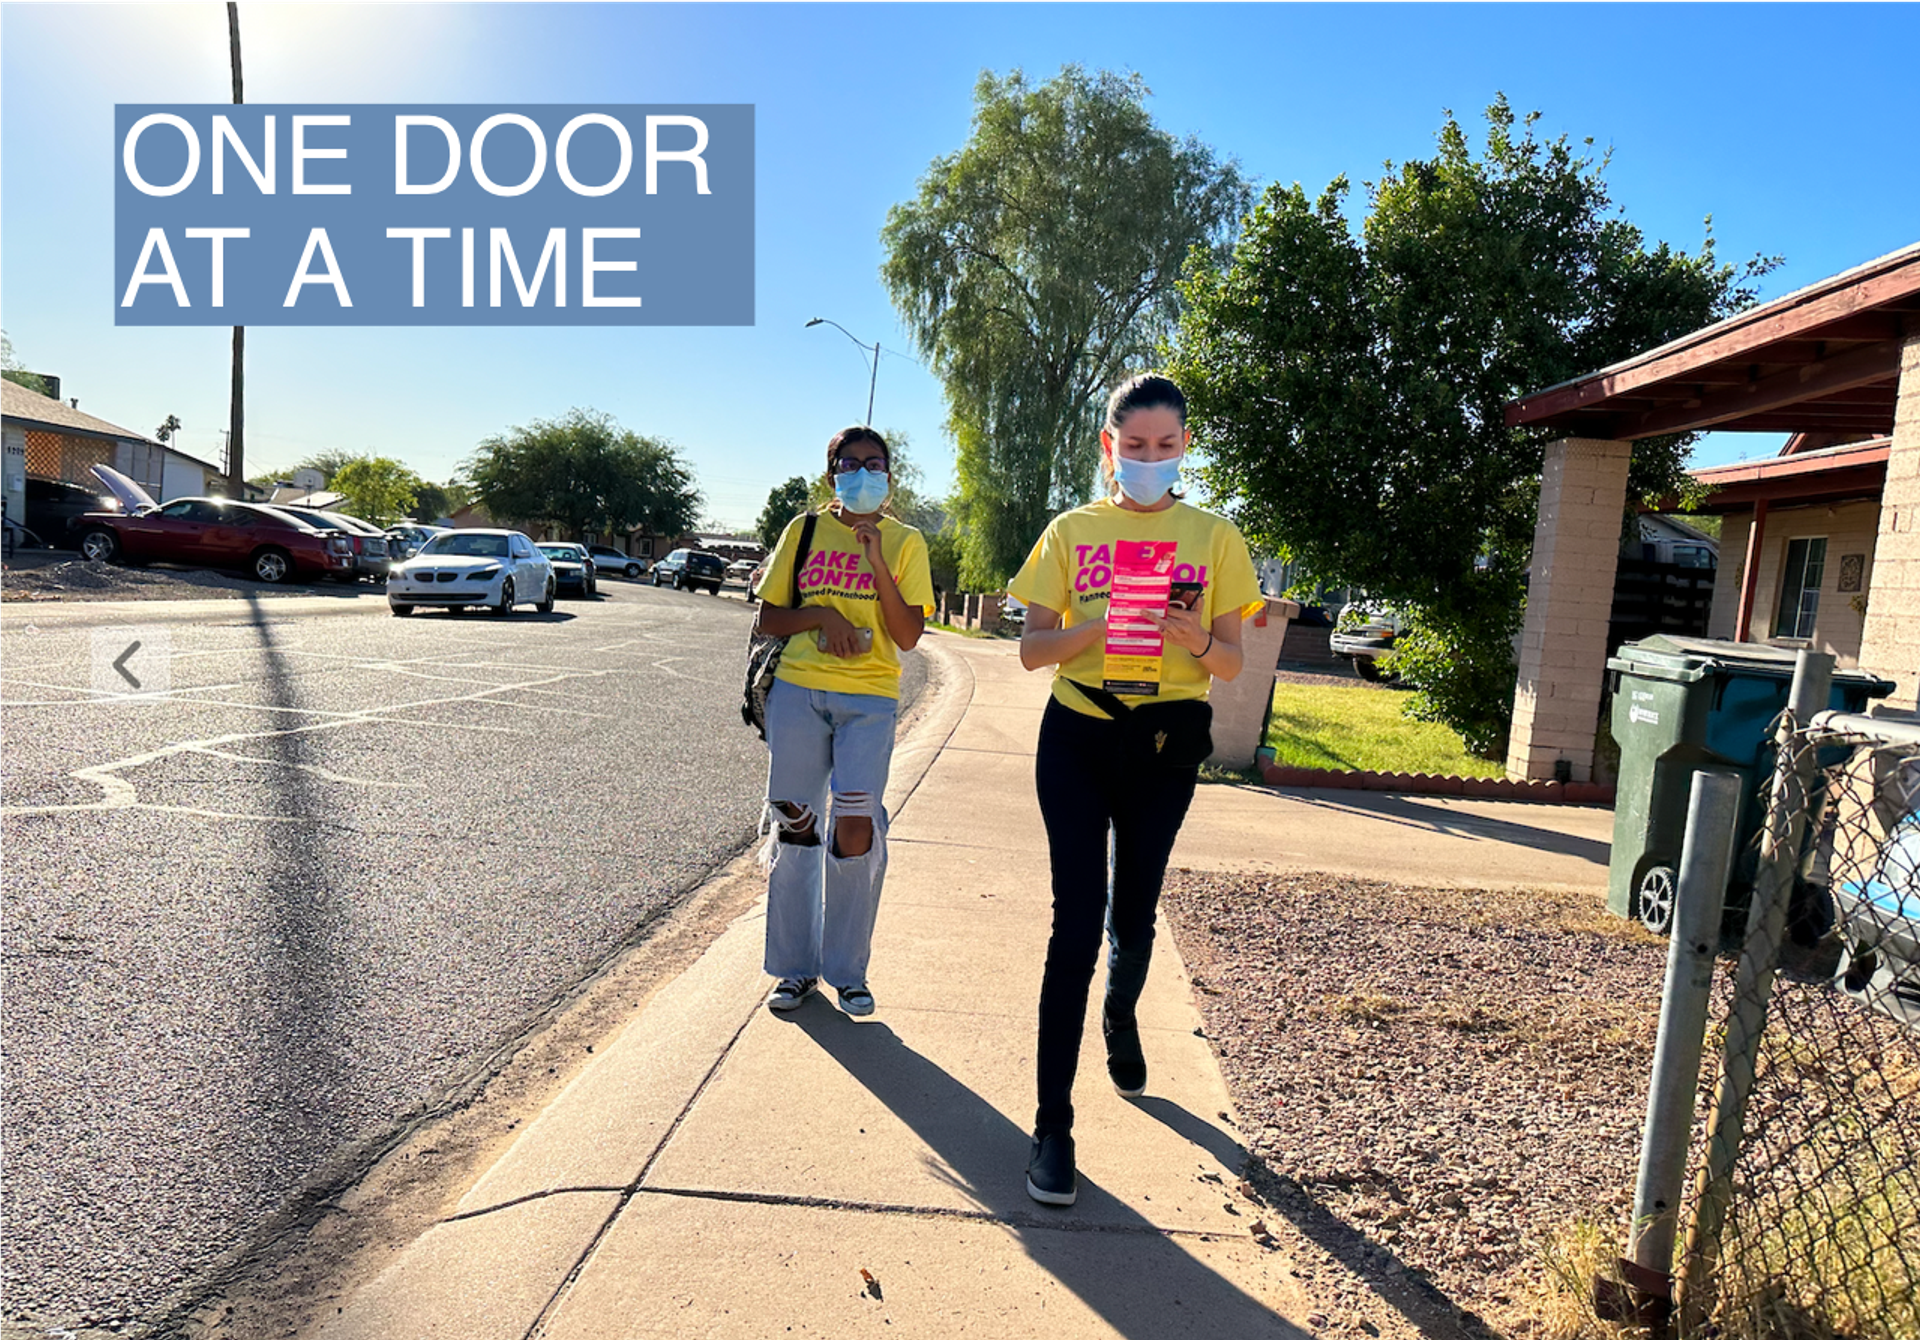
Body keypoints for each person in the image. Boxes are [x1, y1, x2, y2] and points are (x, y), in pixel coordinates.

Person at [1007, 373, 1265, 1206]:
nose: (1149, 459)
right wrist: (1102, 619)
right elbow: (1032, 650)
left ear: (1185, 446)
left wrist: (1194, 638)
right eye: (1134, 445)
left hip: (1166, 739)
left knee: (1136, 910)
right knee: (1073, 923)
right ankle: (1053, 1125)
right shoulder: (1071, 530)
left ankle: (1121, 1011)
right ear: (1107, 445)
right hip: (1079, 731)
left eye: (1166, 445)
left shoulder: (1215, 537)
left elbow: (1229, 663)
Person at [753, 426, 935, 1017]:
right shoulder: (803, 530)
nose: (863, 472)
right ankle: (795, 969)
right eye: (849, 463)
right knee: (797, 825)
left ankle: (847, 971)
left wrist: (876, 559)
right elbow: (769, 618)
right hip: (800, 693)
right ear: (832, 472)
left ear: (889, 475)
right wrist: (822, 614)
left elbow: (907, 636)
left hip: (870, 699)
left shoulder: (906, 542)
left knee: (855, 828)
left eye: (874, 463)